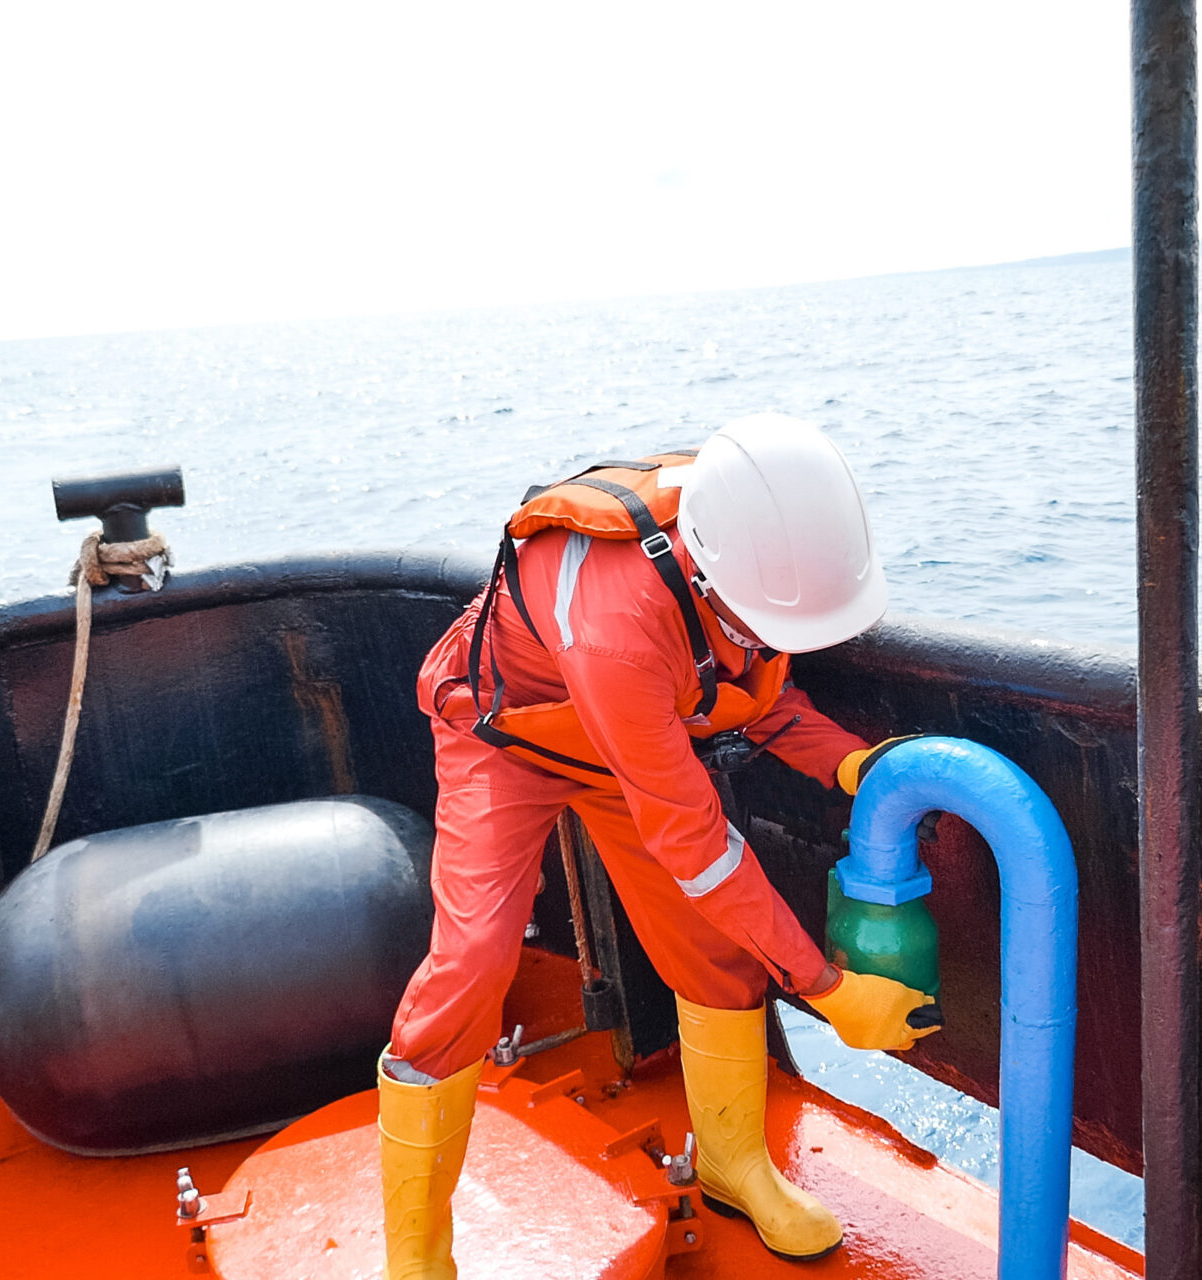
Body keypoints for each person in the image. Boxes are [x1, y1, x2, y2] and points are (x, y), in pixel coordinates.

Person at [378, 413, 940, 1278]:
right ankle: (417, 1255)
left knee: (715, 948)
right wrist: (827, 988)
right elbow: (697, 847)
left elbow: (749, 686)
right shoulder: (617, 621)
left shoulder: (749, 543)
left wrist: (851, 764)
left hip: (632, 740)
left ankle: (731, 1166)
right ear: (713, 577)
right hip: (506, 738)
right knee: (472, 962)